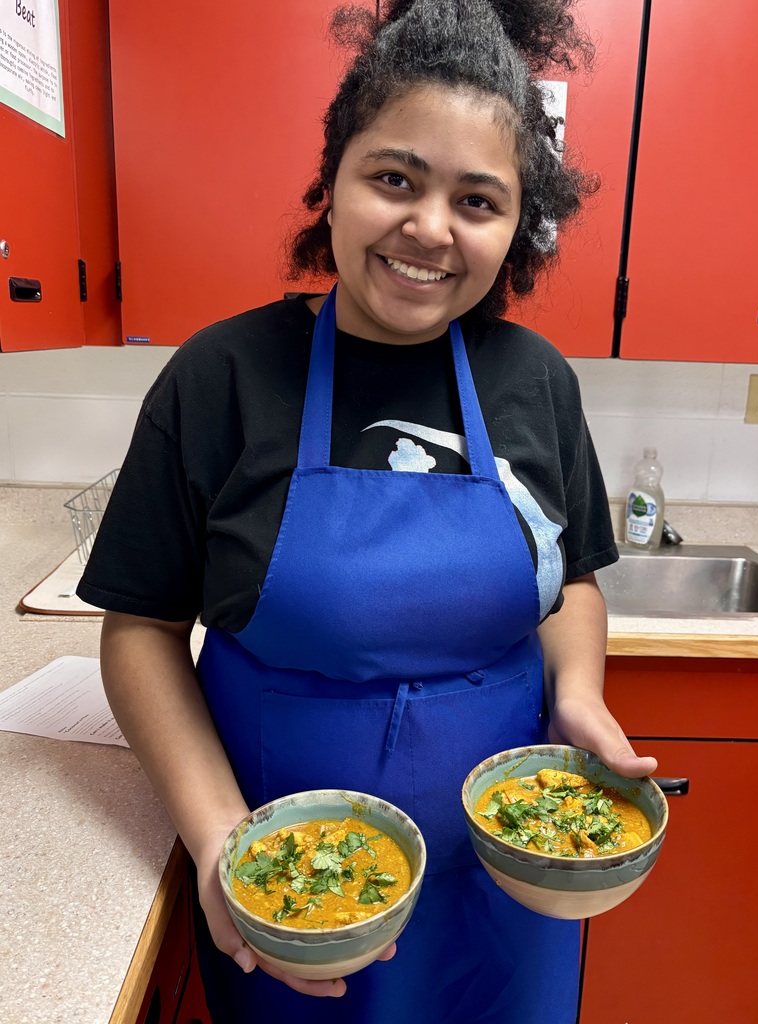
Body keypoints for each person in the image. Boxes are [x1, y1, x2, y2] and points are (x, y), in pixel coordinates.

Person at [78, 1, 657, 1021]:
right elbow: (142, 630)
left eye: (477, 200)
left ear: (518, 220)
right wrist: (221, 843)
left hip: (503, 886)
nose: (430, 228)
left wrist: (578, 694)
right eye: (396, 177)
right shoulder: (222, 377)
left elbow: (567, 578)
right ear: (335, 181)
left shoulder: (535, 383)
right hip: (288, 881)